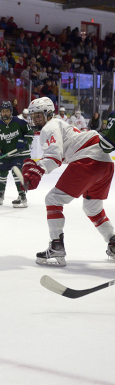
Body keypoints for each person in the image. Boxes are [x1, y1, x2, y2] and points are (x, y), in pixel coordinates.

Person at [23, 97, 115, 267]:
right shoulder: (59, 125)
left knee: (53, 199)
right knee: (92, 207)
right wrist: (38, 166)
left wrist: (38, 170)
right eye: (33, 116)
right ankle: (113, 241)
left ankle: (56, 245)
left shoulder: (50, 126)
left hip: (89, 160)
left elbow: (54, 156)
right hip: (106, 163)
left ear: (48, 114)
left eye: (38, 116)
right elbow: (57, 153)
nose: (35, 119)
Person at [0, 101, 34, 208]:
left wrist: (23, 141)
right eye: (3, 111)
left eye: (7, 111)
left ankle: (22, 197)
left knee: (16, 171)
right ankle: (0, 195)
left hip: (21, 154)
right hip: (7, 154)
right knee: (2, 173)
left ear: (11, 112)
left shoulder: (20, 122)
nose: (5, 113)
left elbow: (30, 135)